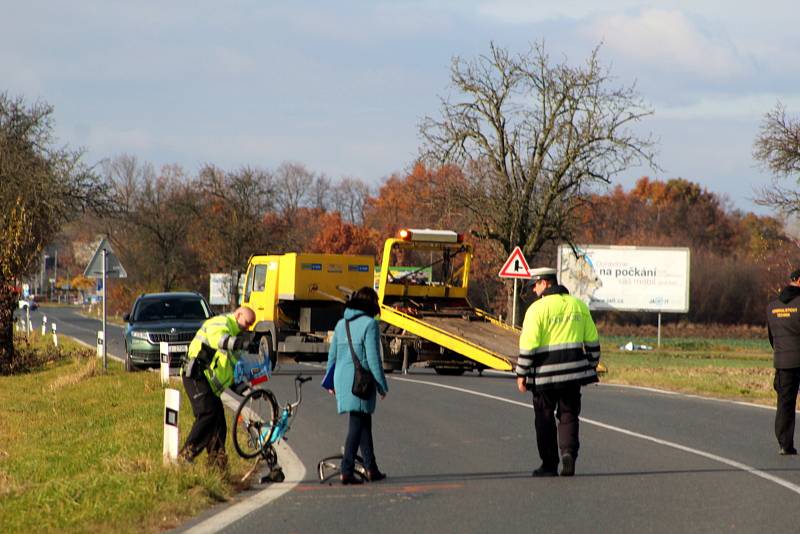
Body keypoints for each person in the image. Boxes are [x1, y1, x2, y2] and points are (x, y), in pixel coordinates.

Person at [515, 267, 601, 477]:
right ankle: (569, 454)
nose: (533, 290)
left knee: (543, 418)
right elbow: (592, 341)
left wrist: (521, 373)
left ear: (545, 283)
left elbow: (528, 345)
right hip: (573, 375)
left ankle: (549, 464)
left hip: (544, 375)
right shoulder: (578, 306)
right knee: (569, 415)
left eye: (534, 285)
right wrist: (590, 363)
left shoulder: (536, 310)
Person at [325, 287, 389, 485]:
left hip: (342, 378)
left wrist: (329, 381)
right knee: (357, 425)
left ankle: (371, 467)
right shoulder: (369, 324)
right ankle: (347, 469)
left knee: (362, 422)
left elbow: (332, 355)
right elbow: (373, 358)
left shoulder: (340, 324)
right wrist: (381, 385)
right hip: (360, 381)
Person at [180, 306, 256, 468]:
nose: (248, 327)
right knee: (208, 413)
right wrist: (241, 343)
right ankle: (186, 454)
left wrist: (249, 391)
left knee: (219, 424)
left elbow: (231, 375)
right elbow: (220, 340)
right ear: (238, 314)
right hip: (195, 375)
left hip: (207, 382)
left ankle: (217, 467)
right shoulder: (221, 322)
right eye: (247, 322)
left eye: (251, 325)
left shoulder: (235, 336)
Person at [766, 269, 800, 456]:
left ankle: (785, 443)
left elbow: (772, 337)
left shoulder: (772, 306)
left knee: (784, 403)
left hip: (783, 361)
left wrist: (781, 352)